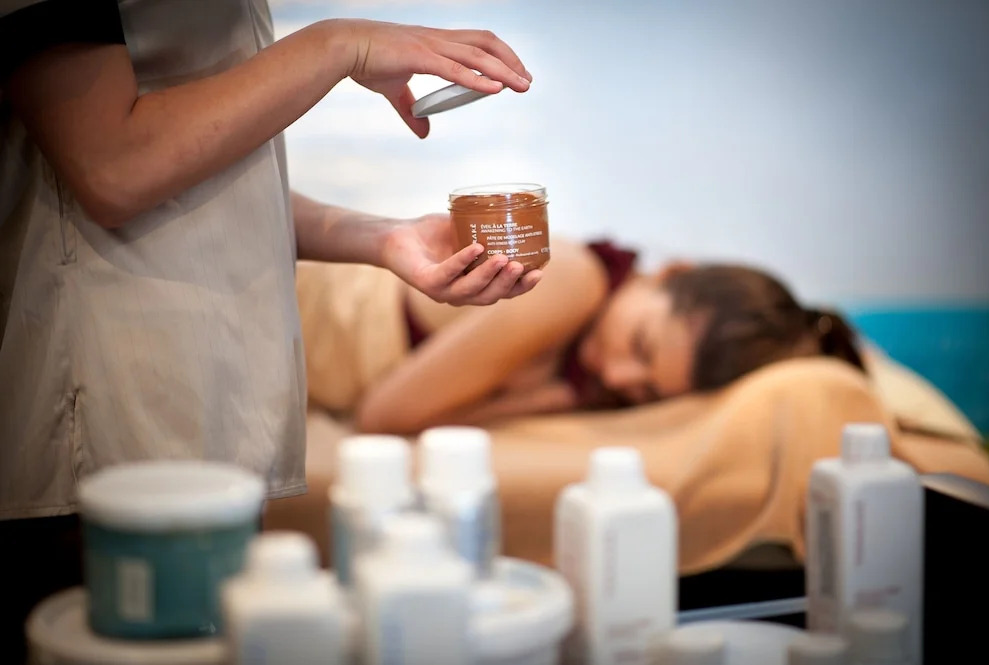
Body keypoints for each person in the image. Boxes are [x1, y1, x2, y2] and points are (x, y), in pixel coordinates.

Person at [0, 0, 537, 659]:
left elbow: (210, 184)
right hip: (110, 419)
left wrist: (383, 237)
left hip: (215, 406)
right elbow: (111, 165)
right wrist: (340, 45)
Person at [297, 236, 867, 434]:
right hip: (285, 307)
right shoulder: (573, 280)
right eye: (641, 345)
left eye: (645, 391)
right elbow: (380, 418)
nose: (617, 376)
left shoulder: (592, 369)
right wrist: (550, 398)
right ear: (670, 274)